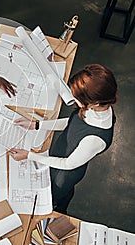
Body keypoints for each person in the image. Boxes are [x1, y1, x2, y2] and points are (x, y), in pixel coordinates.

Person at [8, 64, 117, 214]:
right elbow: (72, 122)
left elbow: (67, 164)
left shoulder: (95, 139)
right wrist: (37, 125)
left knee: (53, 199)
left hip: (63, 174)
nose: (73, 100)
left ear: (95, 103)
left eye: (77, 98)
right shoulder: (96, 108)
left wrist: (29, 155)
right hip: (58, 155)